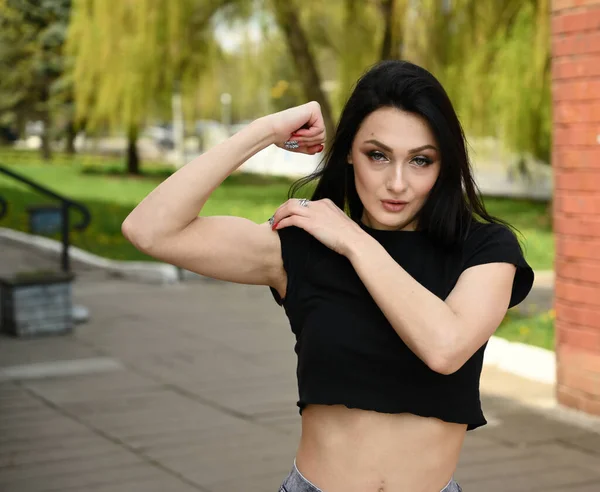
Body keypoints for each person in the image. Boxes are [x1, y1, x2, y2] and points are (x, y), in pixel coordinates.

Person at [122, 60, 534, 492]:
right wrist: (265, 130)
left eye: (420, 160)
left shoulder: (485, 249)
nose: (397, 183)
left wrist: (354, 240)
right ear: (350, 156)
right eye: (377, 155)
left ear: (443, 166)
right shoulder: (306, 246)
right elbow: (149, 230)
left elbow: (444, 348)